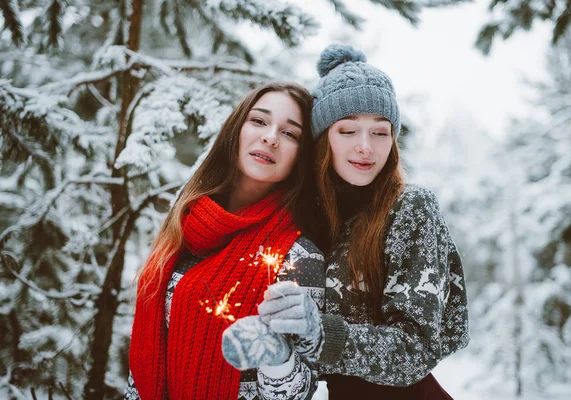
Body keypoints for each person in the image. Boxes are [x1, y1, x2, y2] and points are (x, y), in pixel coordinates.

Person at [255, 45, 470, 399]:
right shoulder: (307, 215)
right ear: (323, 139)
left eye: (380, 132)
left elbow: (415, 348)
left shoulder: (409, 207)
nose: (366, 146)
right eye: (348, 131)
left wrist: (324, 334)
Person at [125, 82, 326, 400]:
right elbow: (143, 364)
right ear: (236, 129)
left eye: (290, 134)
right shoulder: (185, 224)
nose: (270, 137)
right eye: (259, 121)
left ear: (301, 156)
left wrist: (276, 356)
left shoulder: (298, 256)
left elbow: (296, 393)